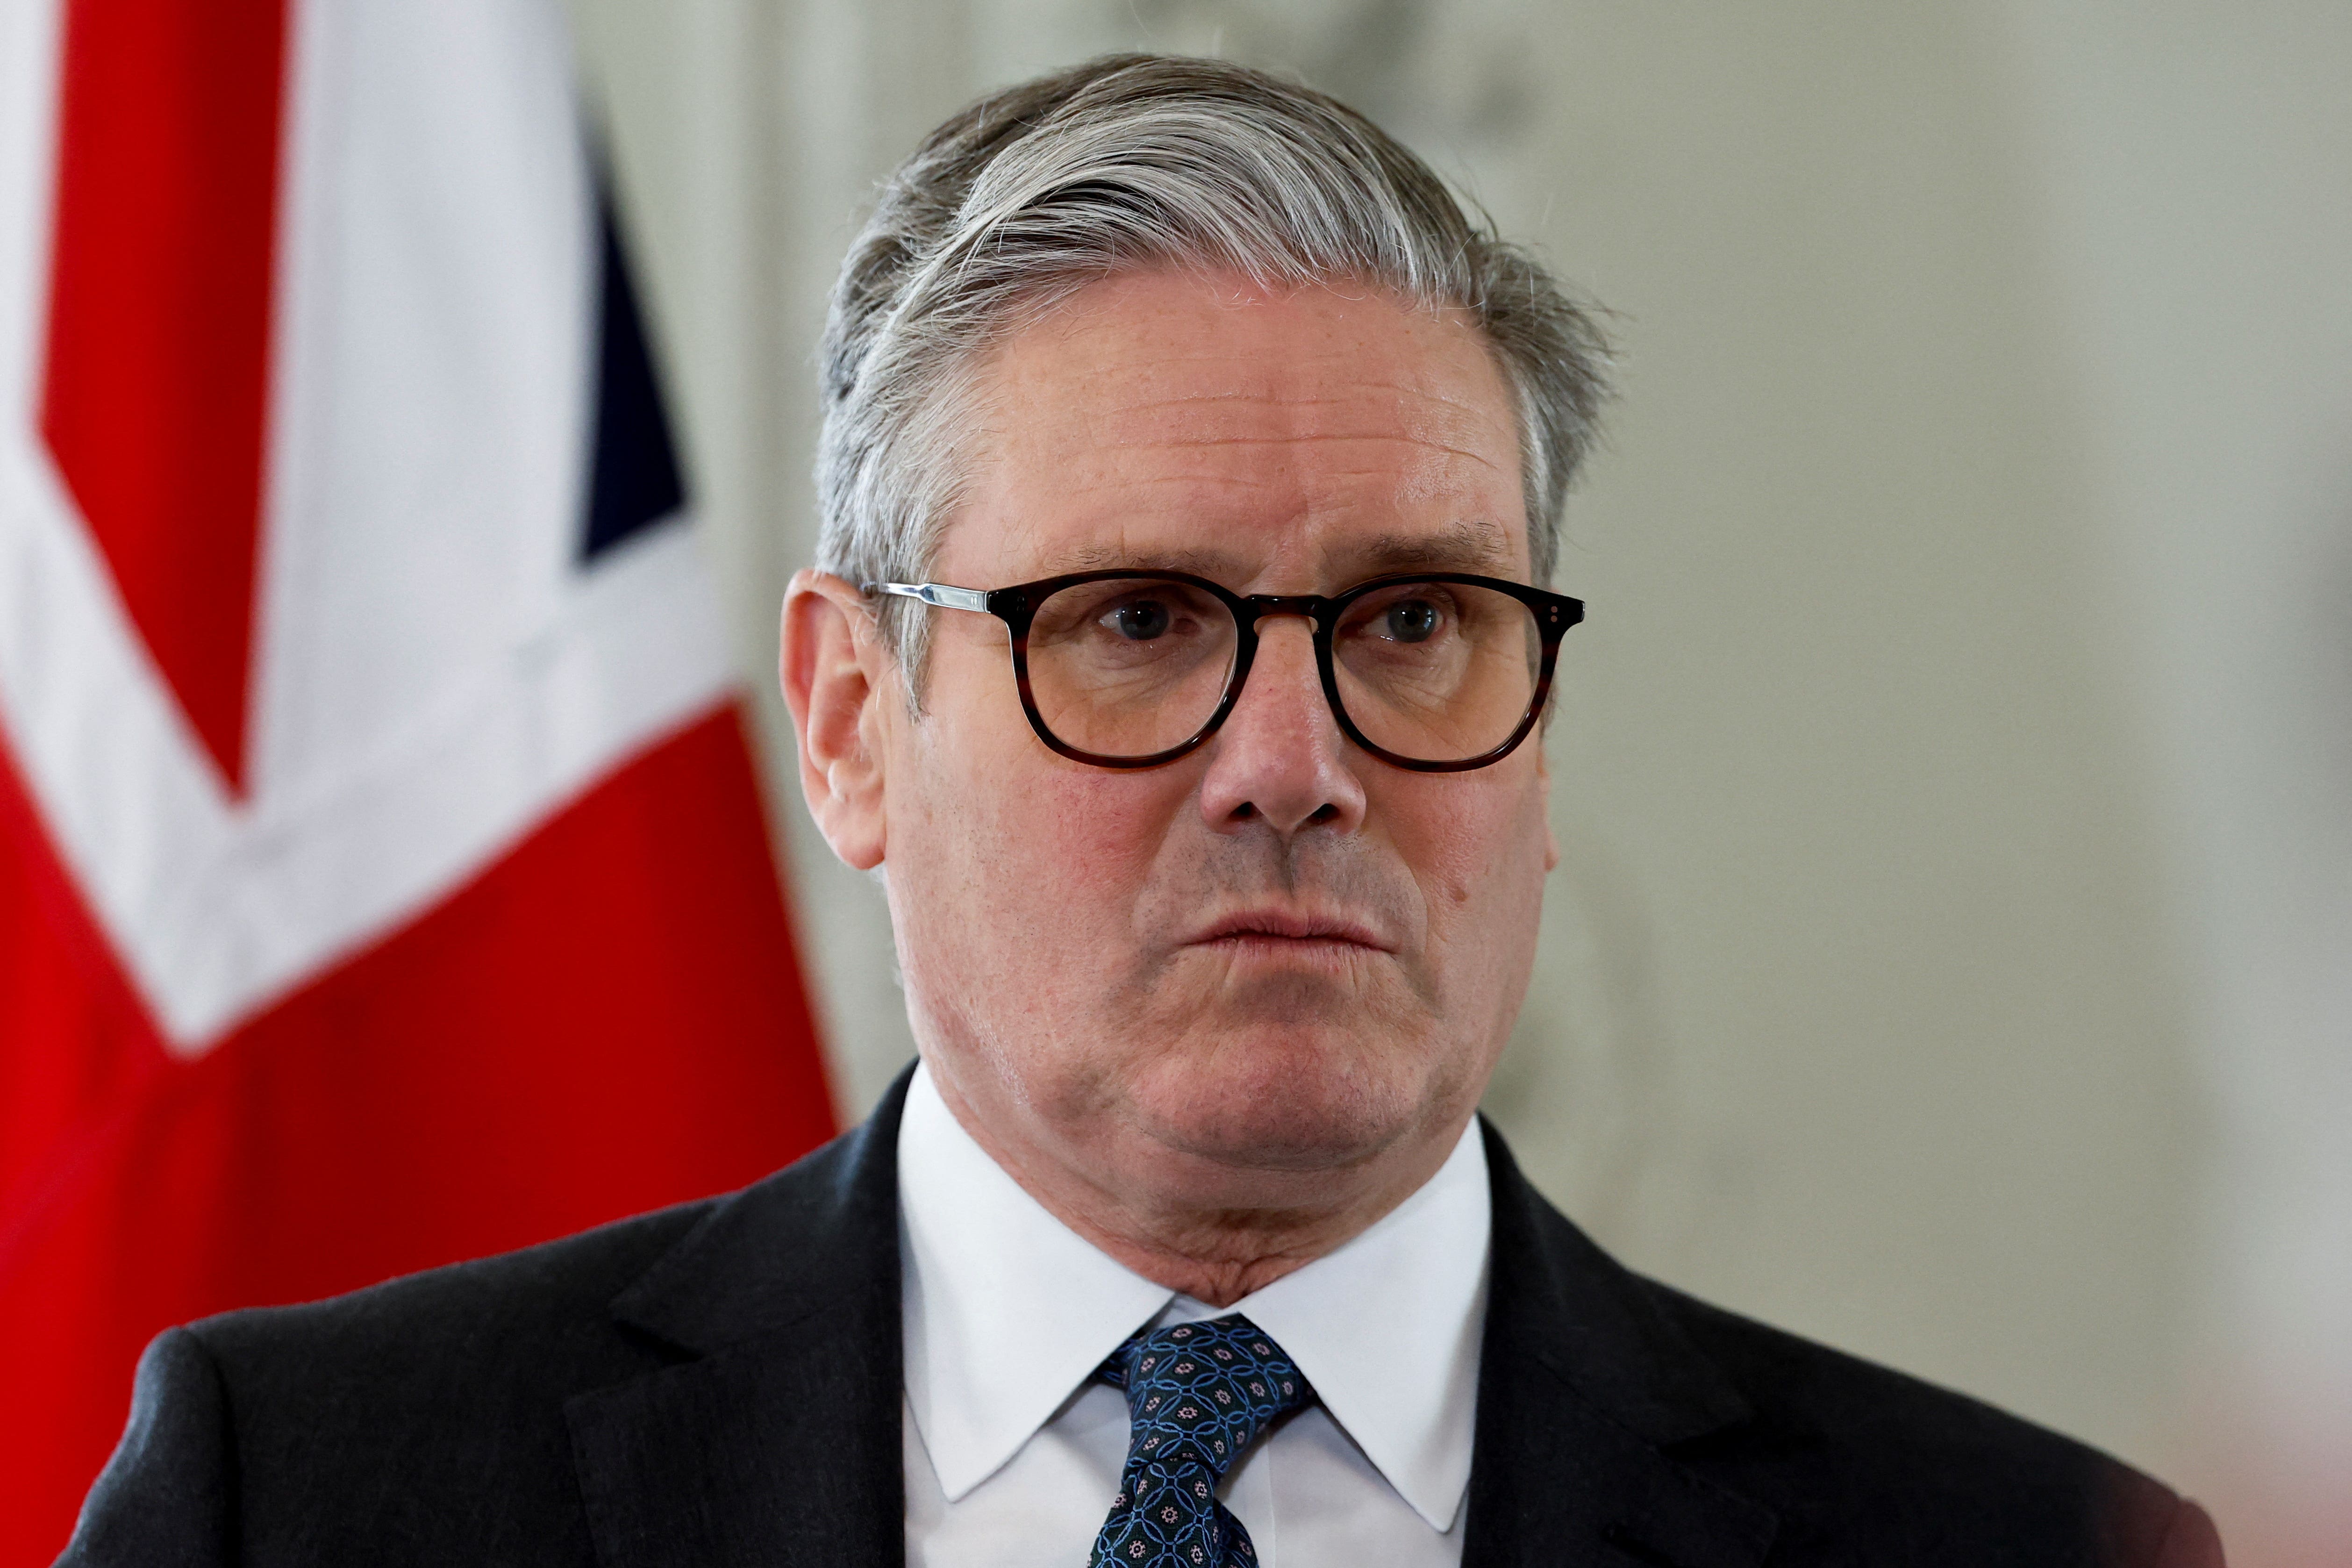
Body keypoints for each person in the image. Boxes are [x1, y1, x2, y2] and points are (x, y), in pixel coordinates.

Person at [61, 54, 2222, 1568]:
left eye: (1409, 623)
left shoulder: (2021, 1547)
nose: (1293, 761)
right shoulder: (318, 1499)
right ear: (847, 718)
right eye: (1133, 621)